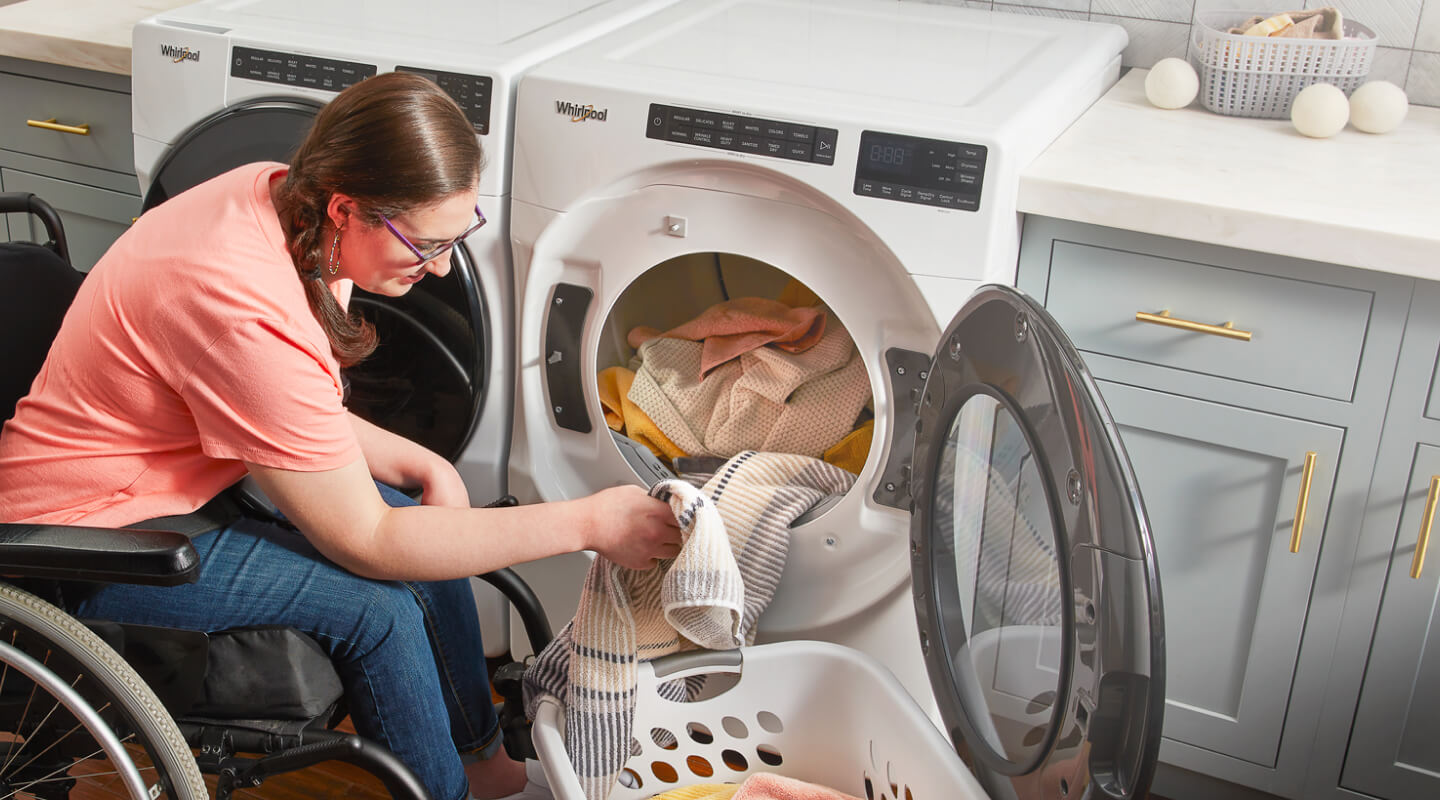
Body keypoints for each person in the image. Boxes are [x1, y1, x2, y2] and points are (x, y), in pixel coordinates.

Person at [0, 72, 681, 800]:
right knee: (378, 609)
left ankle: (488, 771)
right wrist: (589, 522)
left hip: (184, 473)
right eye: (423, 244)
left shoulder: (278, 199)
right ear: (345, 209)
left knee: (425, 531)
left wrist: (427, 466)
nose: (442, 266)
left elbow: (297, 411)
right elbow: (372, 542)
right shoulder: (239, 301)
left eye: (458, 235)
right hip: (81, 534)